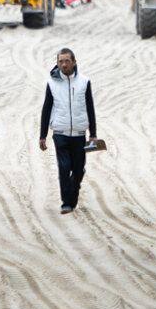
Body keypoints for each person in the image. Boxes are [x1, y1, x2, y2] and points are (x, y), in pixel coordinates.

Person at [39, 48, 97, 214]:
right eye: (60, 61)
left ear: (74, 62)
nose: (63, 64)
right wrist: (42, 135)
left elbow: (90, 108)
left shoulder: (84, 82)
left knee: (78, 169)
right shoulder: (52, 83)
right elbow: (46, 109)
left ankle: (73, 191)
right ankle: (67, 202)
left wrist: (93, 133)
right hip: (60, 132)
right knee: (64, 168)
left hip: (79, 133)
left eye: (66, 61)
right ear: (57, 63)